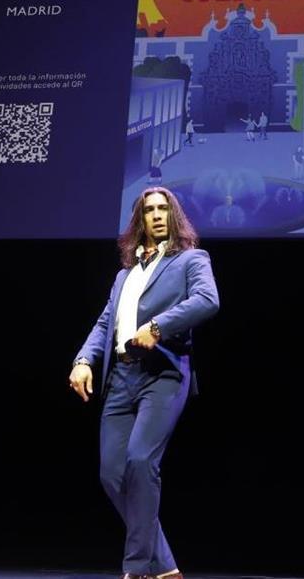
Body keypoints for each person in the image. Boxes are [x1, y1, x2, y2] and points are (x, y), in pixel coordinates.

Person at [69, 187, 220, 579]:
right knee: (112, 474)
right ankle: (166, 567)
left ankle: (137, 569)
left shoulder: (190, 260)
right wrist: (84, 360)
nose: (156, 215)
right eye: (149, 209)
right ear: (140, 219)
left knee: (140, 460)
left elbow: (207, 300)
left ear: (173, 215)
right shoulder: (125, 275)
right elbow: (107, 322)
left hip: (163, 374)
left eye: (163, 208)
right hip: (120, 379)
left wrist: (157, 327)